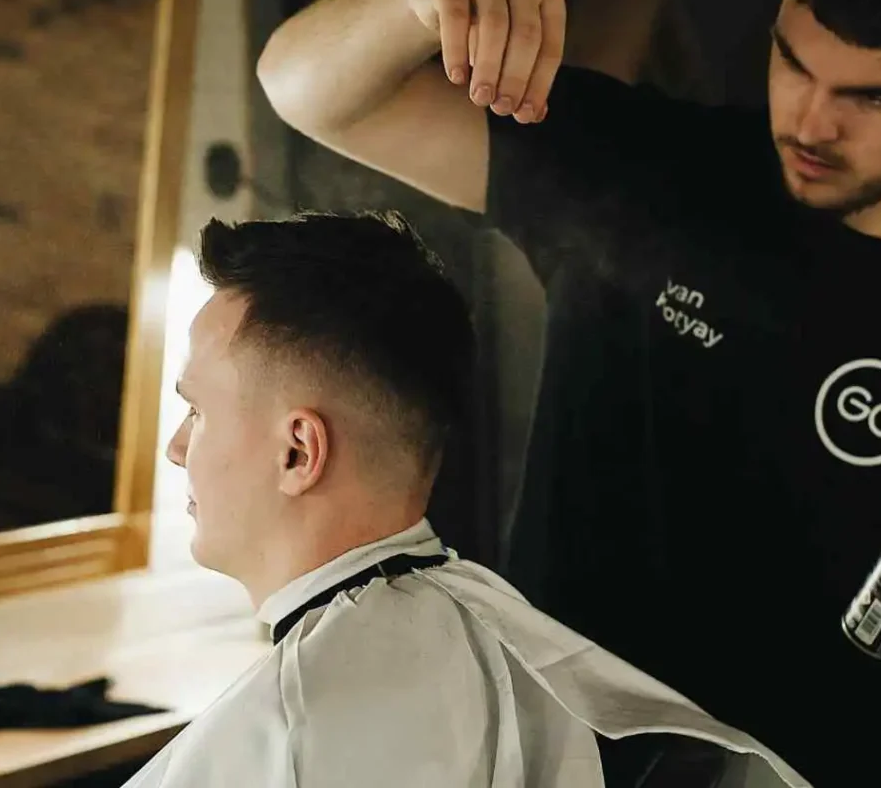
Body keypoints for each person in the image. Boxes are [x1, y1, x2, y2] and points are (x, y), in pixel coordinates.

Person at [256, 0, 881, 787]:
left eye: (872, 98)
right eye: (793, 63)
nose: (810, 123)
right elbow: (306, 90)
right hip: (557, 762)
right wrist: (414, 0)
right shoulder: (645, 171)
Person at [121, 211, 809, 788]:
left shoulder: (287, 728)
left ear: (298, 452)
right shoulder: (513, 638)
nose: (178, 448)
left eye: (197, 412)